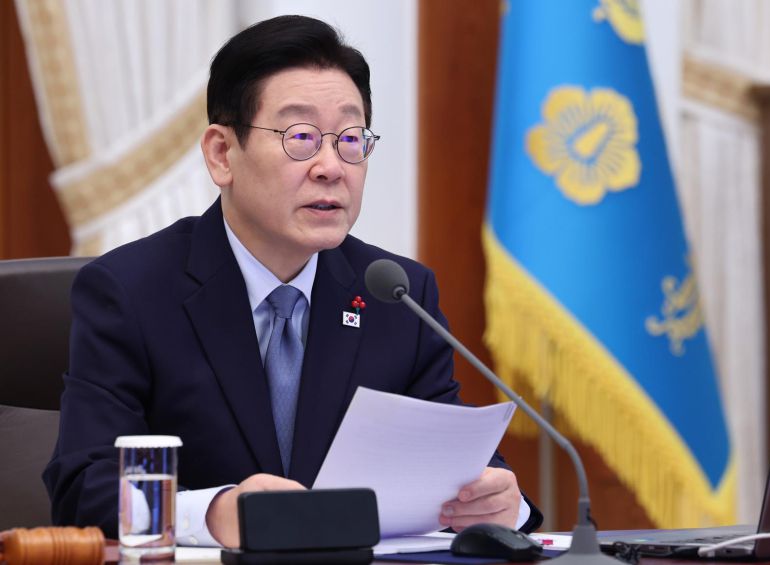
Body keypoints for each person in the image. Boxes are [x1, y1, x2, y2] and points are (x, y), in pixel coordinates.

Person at [43, 15, 542, 547]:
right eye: (301, 137)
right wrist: (214, 513)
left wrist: (503, 505)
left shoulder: (397, 294)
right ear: (222, 154)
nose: (331, 166)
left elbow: (460, 465)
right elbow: (83, 485)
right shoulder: (130, 291)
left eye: (350, 139)